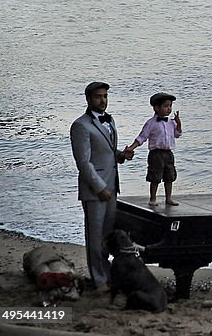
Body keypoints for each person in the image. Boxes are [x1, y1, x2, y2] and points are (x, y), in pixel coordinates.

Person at [70, 81, 132, 291]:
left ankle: (108, 275)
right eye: (98, 97)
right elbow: (83, 163)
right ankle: (99, 280)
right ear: (88, 99)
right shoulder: (80, 126)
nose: (103, 100)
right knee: (95, 238)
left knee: (107, 236)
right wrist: (99, 188)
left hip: (112, 187)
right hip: (94, 191)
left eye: (105, 96)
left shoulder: (110, 120)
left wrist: (121, 156)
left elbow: (106, 153)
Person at [123, 92, 183, 207]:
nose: (169, 109)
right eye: (166, 106)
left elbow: (177, 134)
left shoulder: (171, 122)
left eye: (170, 106)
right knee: (155, 176)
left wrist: (178, 124)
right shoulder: (151, 123)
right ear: (156, 108)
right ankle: (153, 198)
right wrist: (131, 148)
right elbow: (142, 137)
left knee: (169, 176)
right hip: (156, 153)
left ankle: (168, 198)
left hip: (168, 152)